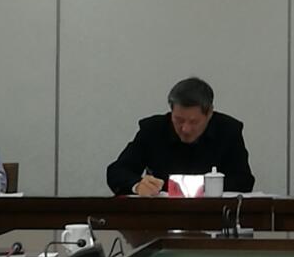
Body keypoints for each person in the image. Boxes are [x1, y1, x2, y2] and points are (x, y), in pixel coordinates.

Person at [106, 77, 255, 196]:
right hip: (161, 215)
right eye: (178, 120)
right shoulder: (152, 130)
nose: (185, 129)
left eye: (194, 122)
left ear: (209, 114)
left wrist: (203, 186)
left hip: (213, 215)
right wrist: (137, 185)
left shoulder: (228, 131)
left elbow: (244, 181)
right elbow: (117, 171)